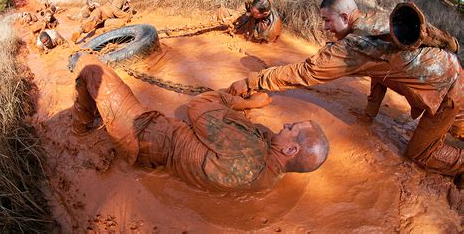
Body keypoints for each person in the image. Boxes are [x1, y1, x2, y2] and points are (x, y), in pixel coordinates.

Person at [227, 0, 462, 177]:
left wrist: (253, 81)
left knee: (420, 153)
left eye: (327, 20)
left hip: (447, 95)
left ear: (345, 17)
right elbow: (380, 72)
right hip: (456, 77)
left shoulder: (354, 45)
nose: (325, 27)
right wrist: (369, 115)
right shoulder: (377, 19)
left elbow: (305, 72)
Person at [71, 54, 329, 192]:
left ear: (291, 150)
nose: (284, 125)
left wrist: (250, 103)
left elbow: (198, 106)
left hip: (143, 134)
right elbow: (246, 135)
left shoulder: (249, 147)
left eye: (291, 128)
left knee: (90, 65)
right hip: (161, 155)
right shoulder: (269, 175)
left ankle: (80, 128)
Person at [71, 0, 136, 43]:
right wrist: (127, 16)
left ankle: (100, 30)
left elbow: (127, 16)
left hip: (108, 20)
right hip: (101, 12)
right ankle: (79, 30)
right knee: (93, 19)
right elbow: (115, 10)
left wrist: (129, 15)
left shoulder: (127, 6)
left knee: (121, 23)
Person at [217, 0, 282, 43]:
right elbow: (244, 7)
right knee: (221, 11)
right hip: (248, 21)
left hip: (252, 31)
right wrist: (233, 17)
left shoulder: (272, 29)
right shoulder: (256, 1)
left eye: (253, 13)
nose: (250, 12)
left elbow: (264, 45)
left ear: (264, 14)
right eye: (251, 9)